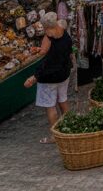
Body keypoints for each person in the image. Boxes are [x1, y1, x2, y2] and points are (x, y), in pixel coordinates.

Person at [24, 12, 72, 143]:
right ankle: (71, 128)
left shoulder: (50, 39)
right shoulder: (64, 33)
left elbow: (47, 65)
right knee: (62, 100)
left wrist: (34, 77)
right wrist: (41, 50)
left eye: (45, 28)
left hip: (50, 79)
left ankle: (55, 136)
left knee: (50, 107)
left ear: (48, 27)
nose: (45, 31)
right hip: (64, 75)